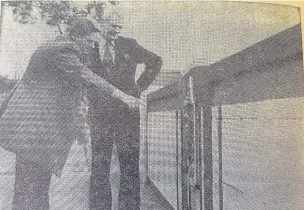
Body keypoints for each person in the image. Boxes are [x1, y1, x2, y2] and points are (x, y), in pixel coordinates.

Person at [0, 19, 138, 210]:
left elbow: (74, 97)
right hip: (34, 130)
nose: (92, 46)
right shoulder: (64, 49)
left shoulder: (61, 49)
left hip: (35, 131)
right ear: (77, 37)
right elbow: (86, 76)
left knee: (35, 187)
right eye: (90, 42)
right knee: (31, 188)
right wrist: (121, 95)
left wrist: (82, 132)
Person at [88, 12, 163, 210]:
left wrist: (138, 89)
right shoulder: (89, 45)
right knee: (99, 165)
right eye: (113, 25)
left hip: (127, 113)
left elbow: (155, 61)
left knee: (129, 163)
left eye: (120, 27)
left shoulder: (129, 44)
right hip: (99, 113)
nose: (117, 30)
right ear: (101, 24)